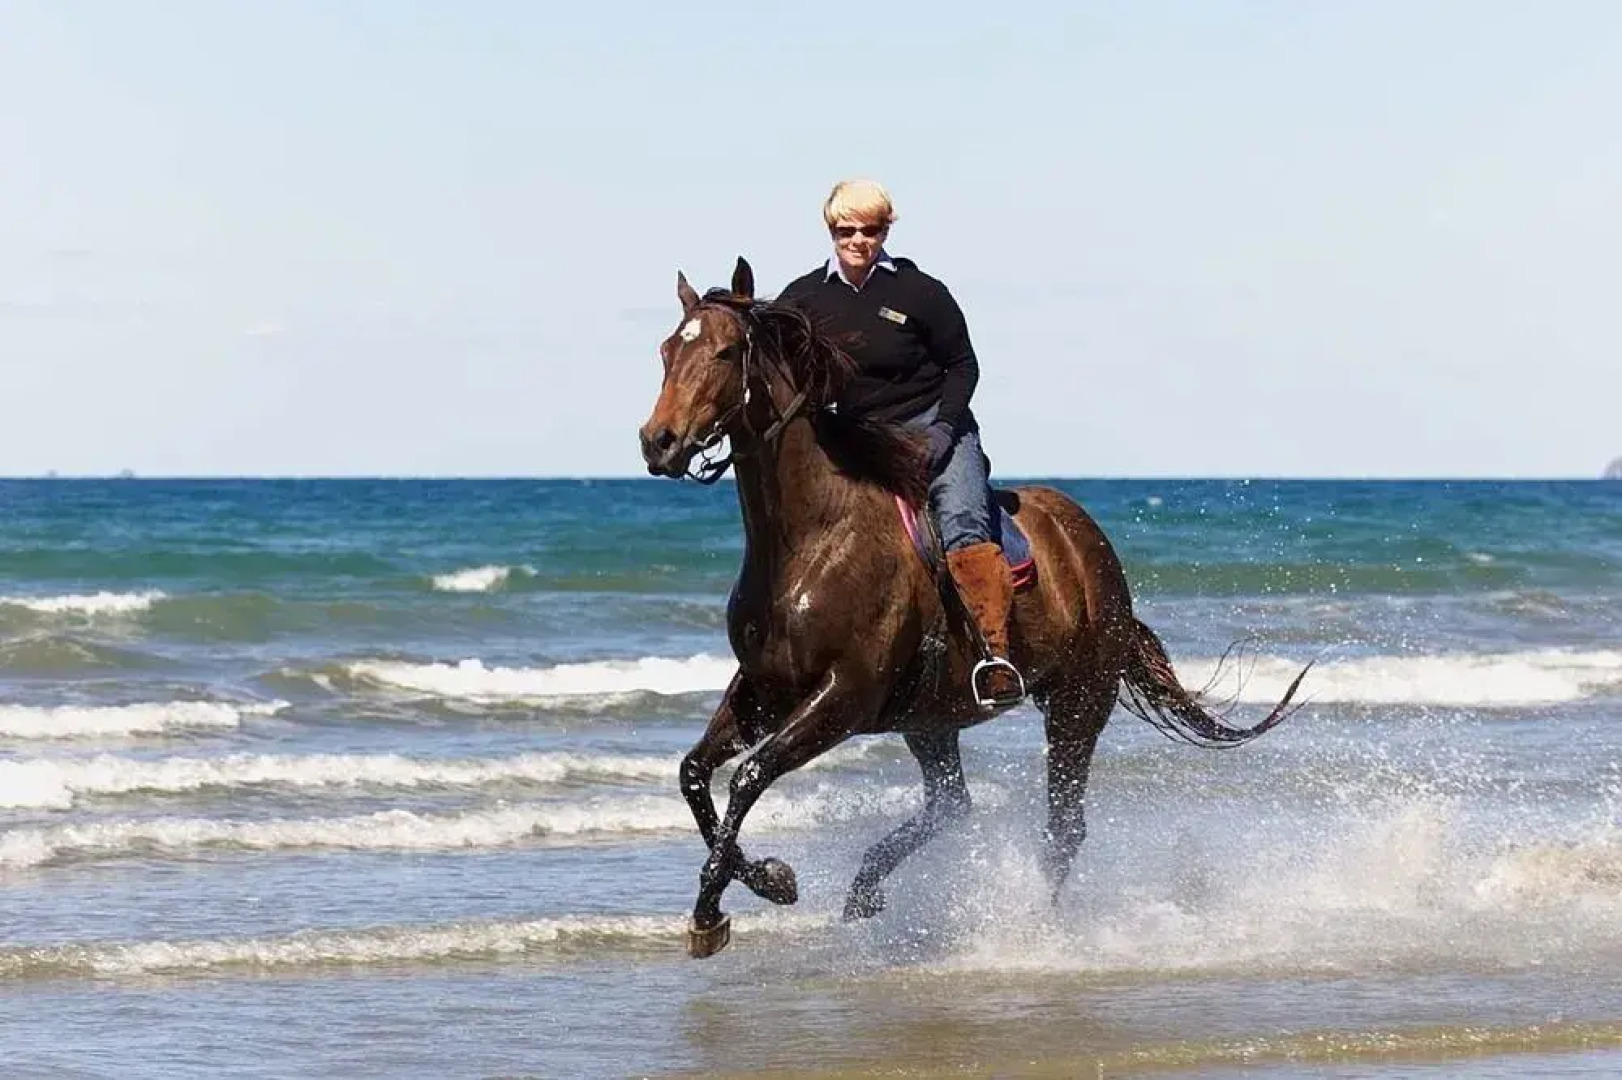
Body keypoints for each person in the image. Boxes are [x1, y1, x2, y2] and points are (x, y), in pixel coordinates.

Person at [775, 178, 1024, 709]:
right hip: (862, 438)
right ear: (831, 231)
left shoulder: (920, 292)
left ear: (886, 230)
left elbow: (964, 365)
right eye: (847, 230)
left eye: (871, 229)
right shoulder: (803, 298)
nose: (858, 240)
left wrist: (943, 430)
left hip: (936, 426)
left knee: (961, 522)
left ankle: (994, 656)